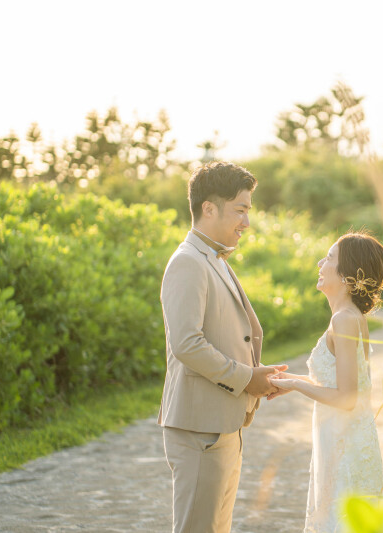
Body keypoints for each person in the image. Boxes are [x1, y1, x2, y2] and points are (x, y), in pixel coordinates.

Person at [158, 161, 286, 533]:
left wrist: (258, 379)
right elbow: (187, 343)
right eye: (241, 210)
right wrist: (248, 378)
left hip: (222, 423)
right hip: (201, 429)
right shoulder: (188, 262)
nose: (247, 221)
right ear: (208, 209)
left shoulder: (213, 257)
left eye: (248, 210)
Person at [269, 230, 383, 532]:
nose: (320, 263)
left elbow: (346, 397)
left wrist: (296, 386)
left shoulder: (345, 319)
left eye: (329, 258)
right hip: (341, 439)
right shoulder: (350, 316)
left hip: (345, 445)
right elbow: (336, 381)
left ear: (347, 276)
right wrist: (286, 378)